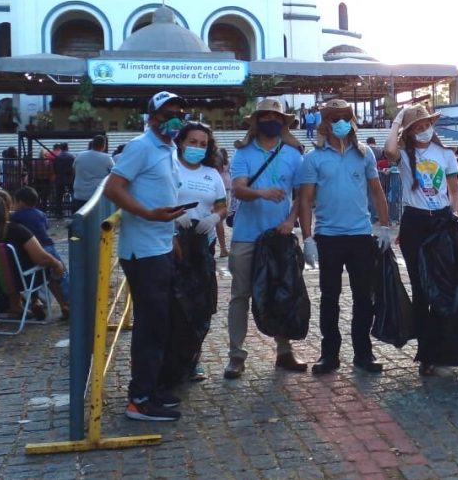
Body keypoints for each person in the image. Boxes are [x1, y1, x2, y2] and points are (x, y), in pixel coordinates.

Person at [103, 91, 189, 422]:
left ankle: (150, 389)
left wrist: (171, 235)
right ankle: (139, 399)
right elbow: (114, 188)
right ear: (152, 117)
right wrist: (148, 214)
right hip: (143, 251)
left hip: (161, 246)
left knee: (160, 324)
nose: (176, 117)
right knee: (150, 327)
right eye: (169, 112)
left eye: (180, 112)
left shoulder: (168, 149)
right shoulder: (141, 146)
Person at [298, 99, 391, 375]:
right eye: (332, 117)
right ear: (324, 123)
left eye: (343, 117)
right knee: (330, 297)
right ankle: (330, 355)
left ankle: (363, 353)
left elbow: (376, 191)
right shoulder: (313, 158)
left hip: (360, 235)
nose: (338, 121)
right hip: (328, 236)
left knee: (364, 297)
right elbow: (305, 200)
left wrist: (384, 226)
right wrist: (307, 238)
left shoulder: (364, 155)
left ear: (351, 121)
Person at [223, 99, 307, 379]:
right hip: (247, 236)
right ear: (256, 121)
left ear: (283, 122)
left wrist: (290, 221)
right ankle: (236, 355)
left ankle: (284, 351)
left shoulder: (294, 154)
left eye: (276, 116)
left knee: (281, 292)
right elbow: (238, 189)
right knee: (240, 295)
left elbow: (301, 195)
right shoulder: (243, 153)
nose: (270, 120)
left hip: (279, 236)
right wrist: (262, 193)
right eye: (265, 116)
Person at [384, 104, 458, 376]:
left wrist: (454, 216)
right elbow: (389, 151)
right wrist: (397, 123)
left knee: (442, 285)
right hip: (414, 222)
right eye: (417, 127)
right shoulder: (405, 155)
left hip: (440, 221)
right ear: (410, 132)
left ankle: (442, 346)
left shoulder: (446, 154)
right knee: (420, 287)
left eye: (426, 125)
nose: (423, 131)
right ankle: (425, 351)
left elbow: (454, 191)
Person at [168, 121, 227, 382]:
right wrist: (172, 218)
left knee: (200, 304)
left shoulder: (211, 174)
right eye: (192, 142)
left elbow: (223, 205)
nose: (197, 148)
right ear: (181, 142)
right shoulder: (170, 168)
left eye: (203, 144)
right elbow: (157, 198)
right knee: (176, 303)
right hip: (174, 242)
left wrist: (214, 219)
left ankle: (194, 359)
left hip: (204, 241)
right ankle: (171, 362)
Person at [0, 190, 67, 321]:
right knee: (46, 266)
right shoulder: (18, 231)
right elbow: (42, 258)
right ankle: (63, 305)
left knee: (6, 268)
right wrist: (57, 264)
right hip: (19, 281)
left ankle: (16, 307)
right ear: (9, 206)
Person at [11, 185, 69, 316]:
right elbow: (46, 227)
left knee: (34, 274)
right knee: (57, 276)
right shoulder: (41, 214)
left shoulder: (17, 217)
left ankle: (35, 300)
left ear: (20, 202)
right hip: (49, 247)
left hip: (32, 249)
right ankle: (65, 304)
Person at [72, 134, 114, 212]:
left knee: (79, 217)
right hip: (96, 196)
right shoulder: (107, 158)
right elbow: (113, 174)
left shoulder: (80, 155)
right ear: (103, 145)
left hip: (79, 193)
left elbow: (74, 171)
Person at [52, 142, 76, 215]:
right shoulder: (72, 157)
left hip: (60, 178)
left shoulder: (57, 157)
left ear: (61, 148)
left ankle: (59, 213)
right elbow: (74, 168)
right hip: (70, 178)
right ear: (67, 148)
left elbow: (55, 168)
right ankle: (74, 211)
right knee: (73, 195)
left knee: (59, 196)